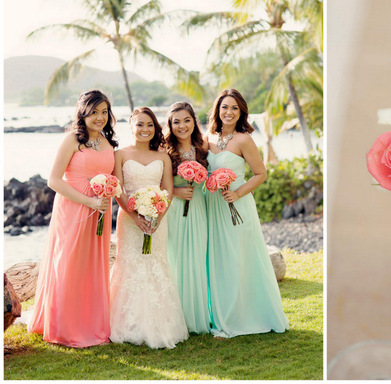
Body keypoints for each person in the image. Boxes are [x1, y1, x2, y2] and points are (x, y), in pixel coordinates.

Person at [29, 90, 117, 347]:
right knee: (68, 263)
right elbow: (53, 180)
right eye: (94, 112)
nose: (100, 117)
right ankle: (64, 327)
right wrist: (89, 200)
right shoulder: (71, 140)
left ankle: (89, 322)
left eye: (104, 112)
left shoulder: (106, 141)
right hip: (74, 209)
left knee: (92, 265)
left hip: (100, 210)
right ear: (83, 112)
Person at [204, 89, 289, 337]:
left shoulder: (243, 139)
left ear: (241, 112)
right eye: (225, 107)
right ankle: (219, 313)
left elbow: (261, 173)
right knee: (218, 259)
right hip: (213, 206)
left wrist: (238, 193)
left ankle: (244, 315)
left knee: (239, 257)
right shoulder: (207, 137)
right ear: (217, 110)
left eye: (234, 108)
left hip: (237, 207)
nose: (228, 112)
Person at [109, 107, 188, 348]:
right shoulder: (120, 154)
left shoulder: (162, 156)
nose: (145, 129)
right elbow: (118, 189)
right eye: (140, 124)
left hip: (157, 221)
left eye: (150, 125)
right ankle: (127, 325)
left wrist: (157, 217)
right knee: (130, 265)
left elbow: (168, 190)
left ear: (155, 128)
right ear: (131, 126)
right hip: (129, 221)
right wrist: (135, 216)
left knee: (156, 265)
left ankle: (159, 324)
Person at [164, 102, 211, 334]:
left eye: (186, 120)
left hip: (198, 207)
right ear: (170, 126)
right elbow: (156, 182)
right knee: (176, 259)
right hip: (175, 209)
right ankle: (176, 317)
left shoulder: (203, 146)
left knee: (196, 257)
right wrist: (176, 191)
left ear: (194, 121)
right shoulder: (165, 149)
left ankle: (197, 316)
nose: (182, 126)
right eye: (176, 122)